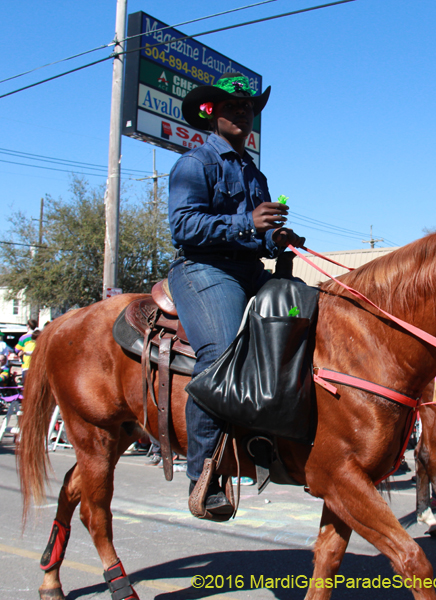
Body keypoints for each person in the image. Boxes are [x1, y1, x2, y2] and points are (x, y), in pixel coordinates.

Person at [168, 72, 303, 519]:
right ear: (212, 113)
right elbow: (183, 227)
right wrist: (249, 222)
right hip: (203, 269)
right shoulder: (195, 163)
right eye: (233, 106)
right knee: (222, 353)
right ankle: (204, 474)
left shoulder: (253, 172)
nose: (243, 112)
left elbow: (256, 235)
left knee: (306, 317)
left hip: (249, 270)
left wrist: (275, 238)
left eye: (248, 107)